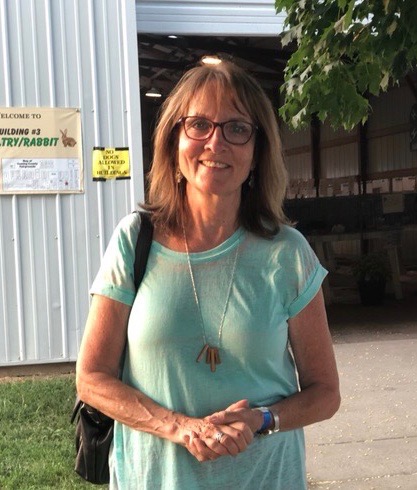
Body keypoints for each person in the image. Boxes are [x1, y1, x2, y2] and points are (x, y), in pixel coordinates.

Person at [76, 60, 340, 489]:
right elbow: (91, 379)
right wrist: (179, 427)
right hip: (156, 478)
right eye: (199, 124)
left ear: (257, 152)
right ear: (174, 140)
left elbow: (325, 392)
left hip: (265, 478)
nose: (216, 143)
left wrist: (263, 419)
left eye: (236, 128)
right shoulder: (134, 240)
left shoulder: (288, 254)